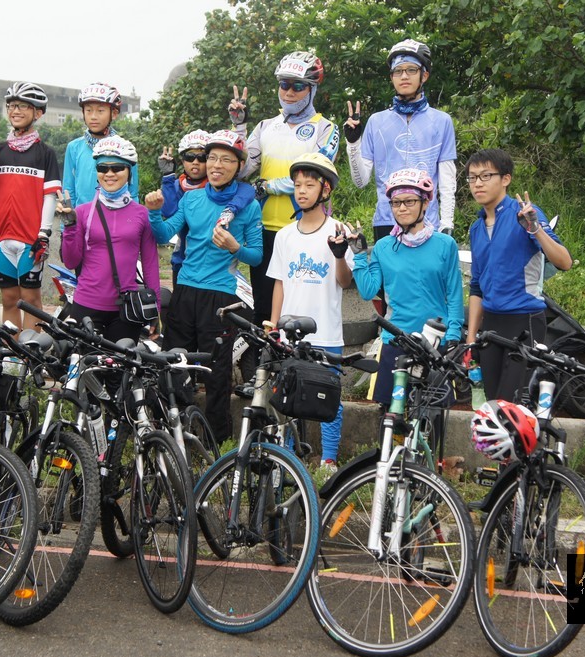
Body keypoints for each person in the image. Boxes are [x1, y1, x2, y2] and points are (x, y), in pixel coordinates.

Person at [145, 130, 263, 443]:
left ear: (239, 166)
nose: (216, 165)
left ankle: (216, 440)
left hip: (222, 295)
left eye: (226, 159)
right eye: (212, 158)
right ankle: (174, 433)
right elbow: (164, 234)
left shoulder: (248, 206)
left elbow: (257, 255)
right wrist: (155, 212)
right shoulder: (192, 198)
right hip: (185, 289)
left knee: (217, 370)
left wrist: (235, 247)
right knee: (175, 362)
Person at [228, 51, 340, 331]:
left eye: (298, 86)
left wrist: (268, 186)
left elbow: (317, 176)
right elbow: (240, 170)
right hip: (263, 229)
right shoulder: (266, 126)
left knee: (302, 305)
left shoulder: (326, 129)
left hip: (306, 230)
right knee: (265, 308)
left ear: (312, 89)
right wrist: (239, 127)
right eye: (284, 85)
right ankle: (264, 369)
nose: (289, 92)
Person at [347, 169, 463, 409]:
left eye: (409, 201)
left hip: (435, 342)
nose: (401, 208)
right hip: (395, 340)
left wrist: (453, 336)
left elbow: (454, 295)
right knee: (390, 417)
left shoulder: (445, 244)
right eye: (396, 203)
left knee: (432, 415)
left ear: (426, 202)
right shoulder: (384, 247)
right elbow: (369, 291)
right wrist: (358, 256)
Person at [267, 153, 354, 471]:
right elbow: (279, 283)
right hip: (289, 334)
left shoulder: (337, 230)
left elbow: (344, 281)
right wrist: (274, 325)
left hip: (326, 332)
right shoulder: (284, 235)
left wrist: (340, 255)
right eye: (297, 185)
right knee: (287, 395)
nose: (301, 191)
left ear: (326, 190)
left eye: (309, 185)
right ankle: (286, 459)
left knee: (328, 396)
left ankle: (328, 459)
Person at [465, 148, 572, 400]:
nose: (477, 183)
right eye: (472, 178)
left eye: (485, 176)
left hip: (524, 321)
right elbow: (477, 286)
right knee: (492, 405)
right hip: (491, 324)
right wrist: (471, 339)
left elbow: (564, 261)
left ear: (506, 179)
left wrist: (536, 230)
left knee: (514, 406)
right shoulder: (476, 228)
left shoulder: (524, 215)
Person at [344, 39, 457, 241]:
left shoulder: (441, 121)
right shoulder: (376, 121)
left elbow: (447, 180)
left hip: (427, 221)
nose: (404, 76)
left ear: (425, 75)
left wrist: (447, 223)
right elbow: (361, 181)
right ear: (391, 77)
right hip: (386, 221)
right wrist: (353, 143)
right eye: (398, 71)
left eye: (411, 70)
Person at [0, 82, 62, 334]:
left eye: (23, 106)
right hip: (2, 237)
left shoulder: (45, 153)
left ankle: (31, 359)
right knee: (9, 300)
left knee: (32, 301)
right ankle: (11, 364)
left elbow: (49, 197)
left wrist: (43, 234)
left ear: (37, 113)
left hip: (30, 239)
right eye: (12, 106)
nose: (15, 110)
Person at [58, 137, 160, 342]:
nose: (110, 174)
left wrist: (155, 309)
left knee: (120, 373)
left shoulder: (141, 214)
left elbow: (150, 264)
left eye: (117, 168)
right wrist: (70, 226)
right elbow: (70, 261)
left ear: (129, 172)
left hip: (125, 310)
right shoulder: (83, 212)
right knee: (84, 370)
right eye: (103, 168)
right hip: (86, 305)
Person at [159, 129, 255, 286]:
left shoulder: (219, 186)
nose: (195, 162)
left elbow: (246, 189)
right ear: (182, 161)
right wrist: (168, 177)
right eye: (189, 157)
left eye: (202, 157)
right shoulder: (177, 185)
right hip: (183, 260)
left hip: (216, 270)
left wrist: (231, 208)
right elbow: (169, 212)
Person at [62, 83, 139, 207]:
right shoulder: (74, 148)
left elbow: (133, 192)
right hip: (83, 221)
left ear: (113, 114)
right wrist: (66, 225)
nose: (93, 116)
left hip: (115, 219)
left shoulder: (125, 148)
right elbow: (68, 190)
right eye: (88, 110)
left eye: (100, 111)